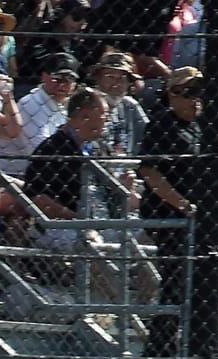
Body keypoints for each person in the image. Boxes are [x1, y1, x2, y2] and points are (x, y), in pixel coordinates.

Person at [25, 86, 158, 306]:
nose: (108, 120)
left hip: (104, 222)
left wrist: (125, 189)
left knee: (153, 233)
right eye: (104, 115)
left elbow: (116, 200)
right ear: (83, 116)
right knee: (91, 242)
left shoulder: (98, 148)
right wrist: (81, 221)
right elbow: (39, 202)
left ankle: (143, 309)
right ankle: (115, 312)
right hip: (61, 226)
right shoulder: (53, 149)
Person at [136, 65, 205, 359]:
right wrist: (183, 204)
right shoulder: (163, 124)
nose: (196, 100)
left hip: (192, 220)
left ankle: (171, 356)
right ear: (172, 94)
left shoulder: (201, 127)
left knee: (192, 289)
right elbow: (150, 172)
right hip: (168, 217)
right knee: (176, 287)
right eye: (188, 92)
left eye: (200, 92)